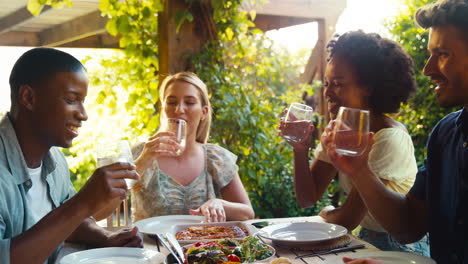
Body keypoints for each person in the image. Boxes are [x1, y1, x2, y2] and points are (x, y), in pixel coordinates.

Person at [321, 0, 468, 263]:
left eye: (443, 54)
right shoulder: (446, 135)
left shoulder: (393, 136)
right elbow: (409, 226)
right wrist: (360, 171)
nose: (428, 69)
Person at [279, 31, 429, 255]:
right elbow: (307, 198)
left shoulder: (388, 138)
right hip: (363, 238)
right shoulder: (342, 131)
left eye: (338, 84)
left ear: (368, 87)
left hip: (400, 248)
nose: (328, 93)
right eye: (327, 84)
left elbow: (348, 218)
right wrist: (300, 148)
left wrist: (326, 212)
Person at [0, 48, 143, 264]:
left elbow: (69, 223)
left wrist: (107, 237)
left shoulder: (55, 160)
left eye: (83, 101)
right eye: (71, 99)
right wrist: (82, 203)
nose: (83, 114)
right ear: (28, 98)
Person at [96, 72, 254, 223]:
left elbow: (248, 213)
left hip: (202, 249)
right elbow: (100, 211)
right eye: (171, 102)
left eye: (190, 102)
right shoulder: (140, 153)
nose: (179, 109)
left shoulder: (216, 158)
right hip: (150, 249)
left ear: (204, 112)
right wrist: (144, 160)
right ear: (163, 109)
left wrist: (220, 204)